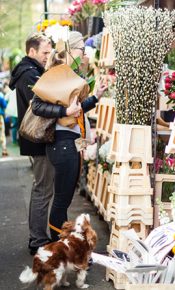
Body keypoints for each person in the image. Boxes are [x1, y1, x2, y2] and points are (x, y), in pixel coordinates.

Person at [32, 31, 108, 241]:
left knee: (63, 199)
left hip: (68, 143)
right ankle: (60, 246)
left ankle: (61, 245)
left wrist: (96, 97)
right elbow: (37, 106)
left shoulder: (67, 75)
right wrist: (64, 112)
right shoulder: (57, 74)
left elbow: (76, 110)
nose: (84, 55)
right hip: (62, 143)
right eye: (82, 50)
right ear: (71, 50)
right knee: (62, 200)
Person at [9, 33, 53, 255]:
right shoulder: (29, 74)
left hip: (36, 139)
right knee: (42, 190)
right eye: (45, 52)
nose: (48, 56)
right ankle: (37, 240)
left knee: (42, 188)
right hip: (38, 139)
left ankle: (38, 237)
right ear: (32, 51)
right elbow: (40, 105)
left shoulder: (30, 71)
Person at [0, 89, 7, 156]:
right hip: (0, 117)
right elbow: (4, 105)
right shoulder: (0, 96)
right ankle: (4, 150)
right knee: (2, 133)